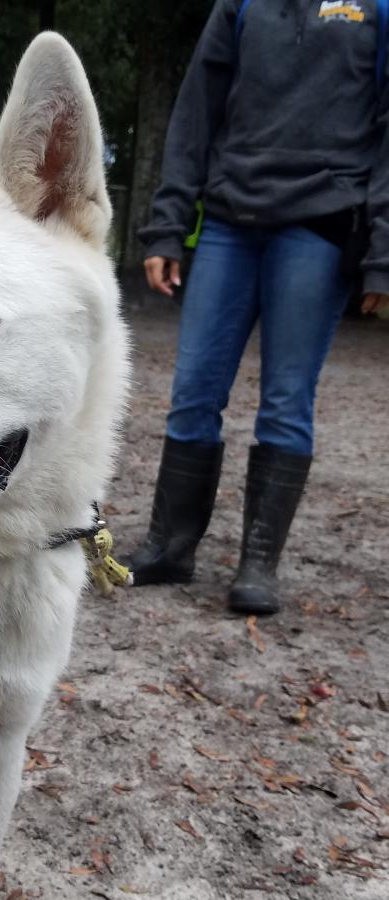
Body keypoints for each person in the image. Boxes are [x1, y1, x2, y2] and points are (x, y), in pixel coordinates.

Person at [127, 0, 389, 615]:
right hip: (227, 221)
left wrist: (381, 252)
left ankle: (258, 566)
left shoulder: (375, 10)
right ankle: (170, 547)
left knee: (286, 398)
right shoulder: (239, 7)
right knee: (193, 390)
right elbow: (195, 113)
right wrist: (168, 226)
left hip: (320, 227)